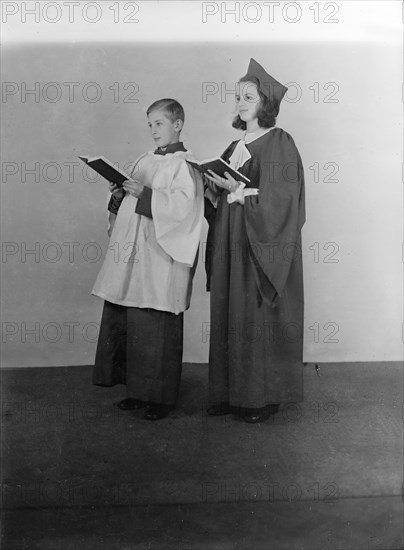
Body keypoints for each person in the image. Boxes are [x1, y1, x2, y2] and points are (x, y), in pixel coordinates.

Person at [204, 58, 305, 423]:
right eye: (238, 96)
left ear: (266, 103)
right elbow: (225, 198)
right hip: (233, 240)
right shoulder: (233, 147)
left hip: (260, 245)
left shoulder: (280, 142)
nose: (241, 102)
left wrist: (240, 193)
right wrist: (213, 191)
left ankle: (259, 397)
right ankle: (229, 393)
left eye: (249, 96)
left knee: (254, 315)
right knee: (231, 312)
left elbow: (282, 199)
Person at [92, 98, 204, 420]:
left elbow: (186, 211)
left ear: (178, 124)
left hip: (161, 258)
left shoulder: (185, 164)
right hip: (134, 255)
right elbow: (127, 204)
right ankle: (137, 392)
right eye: (150, 124)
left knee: (157, 326)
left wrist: (147, 195)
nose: (153, 131)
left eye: (159, 124)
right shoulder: (144, 159)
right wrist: (118, 193)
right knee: (132, 321)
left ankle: (161, 398)